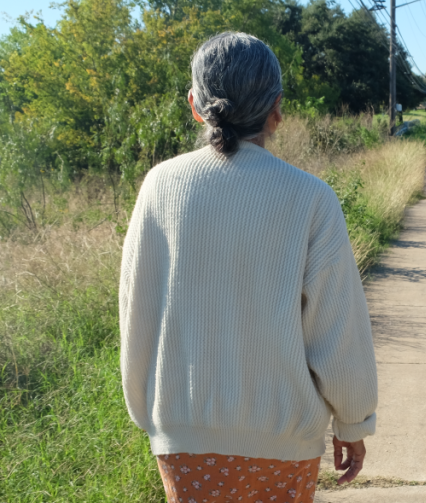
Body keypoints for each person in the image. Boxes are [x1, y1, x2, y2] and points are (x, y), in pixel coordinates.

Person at [119, 32, 378, 503]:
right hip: (285, 439)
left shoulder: (160, 186)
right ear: (277, 109)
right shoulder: (309, 197)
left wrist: (150, 414)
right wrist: (353, 420)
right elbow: (336, 326)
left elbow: (137, 307)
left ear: (196, 106)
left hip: (184, 437)